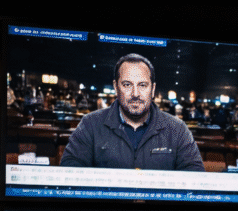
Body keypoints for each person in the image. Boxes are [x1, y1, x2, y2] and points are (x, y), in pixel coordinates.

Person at [60, 53, 205, 171]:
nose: (135, 93)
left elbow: (195, 180)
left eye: (142, 85)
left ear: (153, 89)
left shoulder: (177, 129)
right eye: (127, 84)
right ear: (116, 87)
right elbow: (69, 173)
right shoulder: (90, 125)